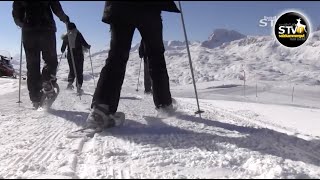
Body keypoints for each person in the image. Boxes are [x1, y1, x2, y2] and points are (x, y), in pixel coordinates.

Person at [86, 1, 180, 128]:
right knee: (156, 56)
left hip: (120, 7)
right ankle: (164, 105)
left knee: (116, 57)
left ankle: (101, 108)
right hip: (149, 8)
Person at [12, 1, 70, 109]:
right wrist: (65, 18)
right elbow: (56, 6)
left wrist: (23, 23)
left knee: (32, 65)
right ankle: (47, 80)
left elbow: (16, 13)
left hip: (28, 31)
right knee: (50, 60)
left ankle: (35, 99)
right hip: (46, 29)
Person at [61, 22, 91, 93]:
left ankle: (70, 84)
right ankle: (79, 87)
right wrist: (88, 46)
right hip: (79, 55)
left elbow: (62, 48)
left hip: (70, 56)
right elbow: (84, 43)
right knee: (79, 71)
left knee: (72, 69)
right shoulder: (78, 34)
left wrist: (63, 50)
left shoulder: (66, 36)